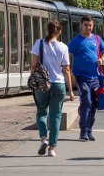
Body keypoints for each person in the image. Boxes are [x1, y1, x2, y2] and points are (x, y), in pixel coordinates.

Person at [31, 19, 75, 157]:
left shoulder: (39, 44)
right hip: (58, 85)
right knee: (56, 116)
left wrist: (33, 83)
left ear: (47, 30)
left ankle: (43, 138)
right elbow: (66, 70)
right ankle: (52, 149)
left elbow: (33, 65)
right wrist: (71, 91)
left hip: (42, 84)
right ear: (59, 32)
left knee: (41, 113)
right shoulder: (63, 47)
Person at [67, 15, 104, 142]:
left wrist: (102, 59)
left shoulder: (97, 39)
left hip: (95, 77)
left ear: (93, 26)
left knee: (94, 104)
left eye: (90, 25)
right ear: (81, 25)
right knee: (87, 102)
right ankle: (83, 130)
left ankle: (89, 130)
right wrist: (71, 75)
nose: (88, 27)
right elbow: (66, 57)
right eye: (85, 25)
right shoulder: (75, 41)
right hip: (81, 77)